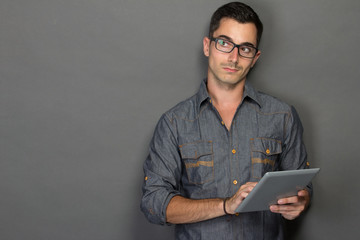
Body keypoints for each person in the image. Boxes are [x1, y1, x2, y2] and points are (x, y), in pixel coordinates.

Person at [141, 2, 312, 239]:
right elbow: (154, 203)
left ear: (255, 58)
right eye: (224, 43)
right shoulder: (174, 122)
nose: (233, 57)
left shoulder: (283, 116)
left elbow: (302, 189)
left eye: (245, 48)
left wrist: (299, 202)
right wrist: (226, 205)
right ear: (207, 46)